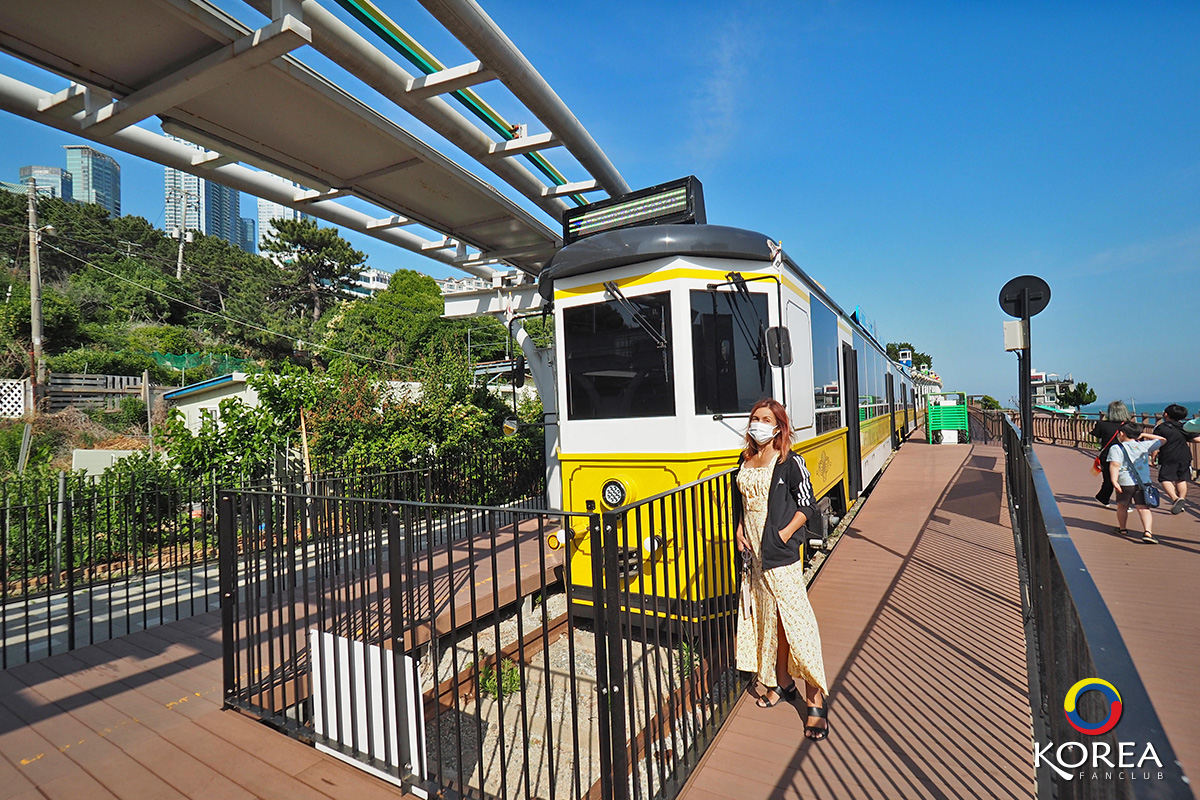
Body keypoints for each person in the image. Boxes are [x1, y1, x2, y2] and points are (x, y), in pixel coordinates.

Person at [733, 398, 830, 740]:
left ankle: (815, 697)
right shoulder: (745, 459)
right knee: (768, 619)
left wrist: (783, 534)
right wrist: (740, 530)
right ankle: (780, 682)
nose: (757, 424)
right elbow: (743, 503)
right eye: (754, 418)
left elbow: (808, 505)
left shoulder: (791, 462)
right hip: (755, 559)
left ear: (778, 426)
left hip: (780, 554)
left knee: (797, 621)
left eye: (764, 419)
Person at [1106, 422, 1167, 543]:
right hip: (1143, 483)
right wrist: (1143, 434)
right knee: (1144, 508)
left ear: (1121, 434)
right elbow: (1163, 440)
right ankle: (1148, 532)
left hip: (1125, 482)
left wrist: (1114, 480)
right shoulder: (1144, 446)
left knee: (1122, 506)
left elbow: (1114, 464)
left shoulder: (1116, 448)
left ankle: (1123, 529)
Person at [1154, 404, 1200, 514]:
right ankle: (1182, 501)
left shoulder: (1161, 428)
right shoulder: (1184, 427)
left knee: (1165, 479)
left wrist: (1154, 455)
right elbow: (1197, 439)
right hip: (1184, 456)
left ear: (1166, 414)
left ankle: (1175, 499)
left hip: (1168, 456)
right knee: (1181, 479)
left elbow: (1156, 443)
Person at [1092, 400, 1132, 506]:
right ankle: (1125, 502)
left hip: (1107, 454)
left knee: (1109, 479)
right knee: (1126, 479)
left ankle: (1103, 497)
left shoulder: (1102, 424)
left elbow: (1096, 434)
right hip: (1125, 455)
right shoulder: (1129, 426)